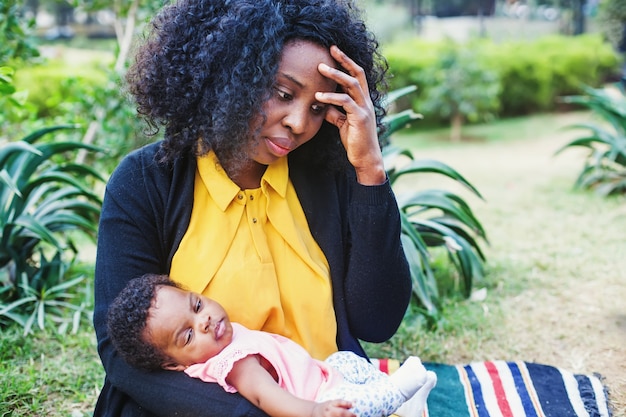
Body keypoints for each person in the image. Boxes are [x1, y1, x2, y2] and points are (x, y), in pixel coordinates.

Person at [93, 0, 413, 416]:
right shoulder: (144, 182)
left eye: (318, 107)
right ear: (231, 76)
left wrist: (369, 170)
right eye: (282, 94)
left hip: (325, 399)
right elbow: (124, 356)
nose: (299, 122)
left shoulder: (326, 175)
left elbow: (377, 322)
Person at [107, 274, 437, 417]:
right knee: (352, 404)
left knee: (346, 359)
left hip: (322, 375)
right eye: (188, 335)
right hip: (315, 401)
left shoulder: (224, 337)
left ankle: (399, 404)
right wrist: (313, 411)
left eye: (196, 306)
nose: (204, 320)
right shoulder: (233, 364)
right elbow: (267, 396)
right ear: (175, 365)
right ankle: (396, 393)